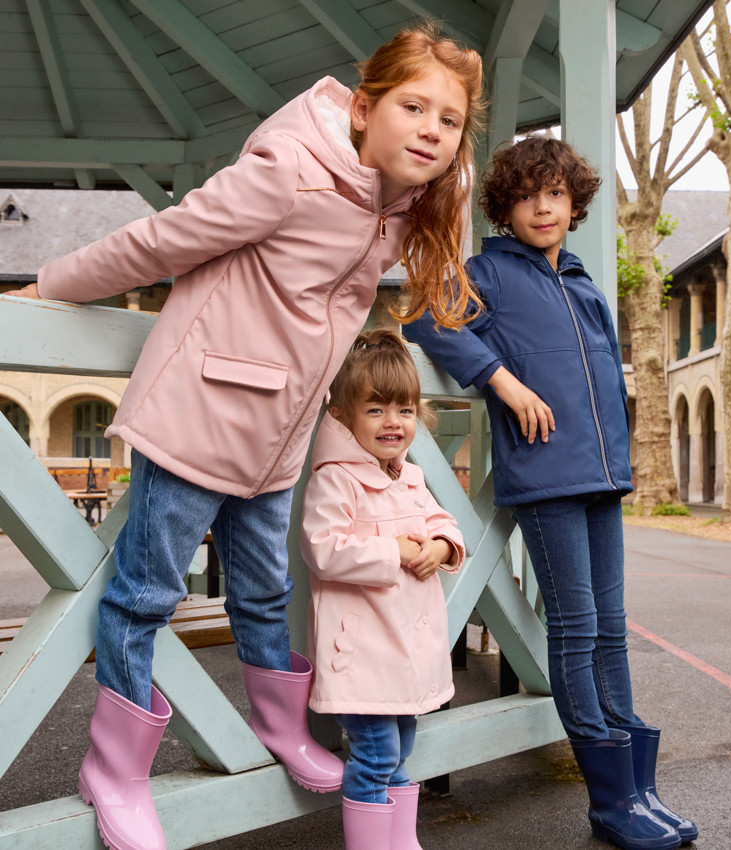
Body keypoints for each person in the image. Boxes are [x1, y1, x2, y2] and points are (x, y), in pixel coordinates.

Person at [5, 25, 482, 850]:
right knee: (146, 596)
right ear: (363, 108)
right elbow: (161, 240)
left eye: (451, 119)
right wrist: (46, 288)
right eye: (414, 106)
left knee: (262, 593)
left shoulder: (394, 212)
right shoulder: (289, 174)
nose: (433, 129)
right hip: (195, 421)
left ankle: (278, 728)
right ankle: (114, 770)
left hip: (276, 446)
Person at [405, 135, 697, 850]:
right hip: (545, 475)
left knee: (611, 626)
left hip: (601, 476)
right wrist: (500, 379)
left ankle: (638, 787)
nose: (545, 206)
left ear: (575, 203)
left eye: (558, 194)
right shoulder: (491, 274)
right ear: (507, 206)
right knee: (574, 625)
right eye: (530, 195)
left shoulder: (584, 281)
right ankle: (608, 799)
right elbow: (426, 317)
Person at [300, 330, 464, 850]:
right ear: (345, 417)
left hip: (405, 652)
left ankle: (400, 840)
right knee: (375, 755)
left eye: (405, 410)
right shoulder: (335, 479)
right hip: (364, 652)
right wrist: (392, 549)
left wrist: (441, 546)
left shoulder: (410, 476)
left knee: (401, 749)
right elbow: (322, 548)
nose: (393, 422)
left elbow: (442, 520)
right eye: (375, 410)